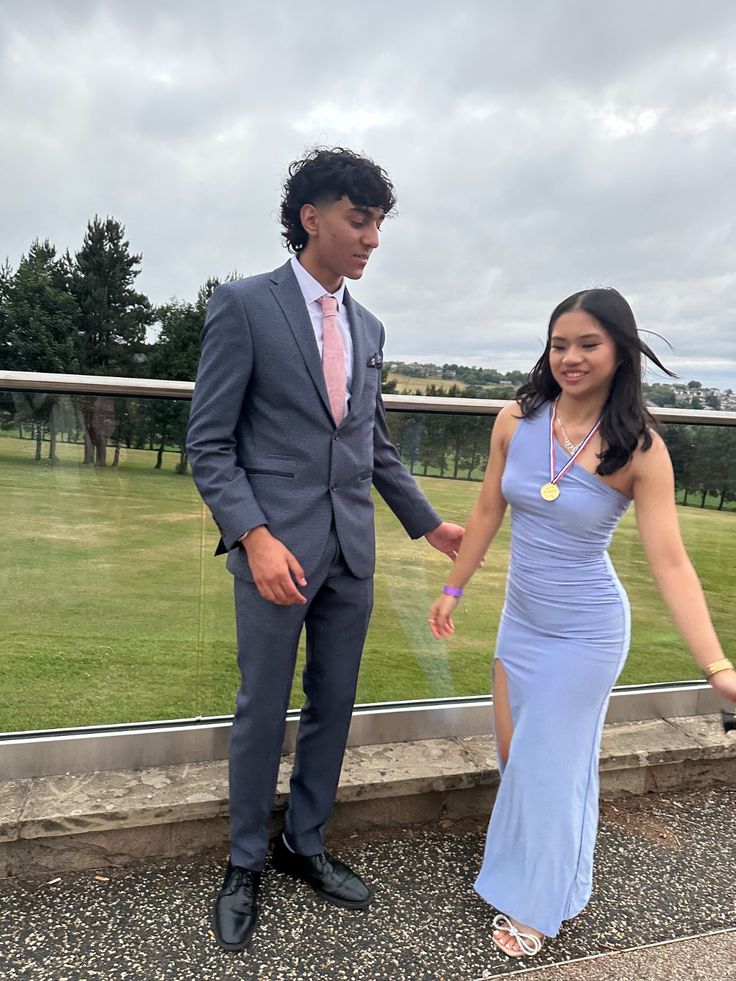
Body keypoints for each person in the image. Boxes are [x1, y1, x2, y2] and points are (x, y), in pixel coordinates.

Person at [187, 146, 463, 952]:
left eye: (378, 223)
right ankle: (244, 862)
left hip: (350, 553)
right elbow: (209, 443)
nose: (372, 237)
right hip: (275, 553)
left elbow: (372, 444)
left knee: (334, 703)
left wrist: (429, 523)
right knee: (261, 707)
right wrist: (255, 536)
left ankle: (302, 842)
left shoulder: (368, 327)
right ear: (311, 218)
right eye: (358, 219)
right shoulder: (244, 306)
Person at [428, 288, 736, 958]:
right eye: (559, 343)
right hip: (521, 623)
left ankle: (537, 906)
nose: (570, 357)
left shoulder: (639, 449)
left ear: (620, 351)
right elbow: (486, 511)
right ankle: (551, 874)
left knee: (548, 768)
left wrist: (716, 666)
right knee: (522, 759)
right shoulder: (515, 419)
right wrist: (453, 588)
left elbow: (672, 563)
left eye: (588, 344)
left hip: (586, 634)